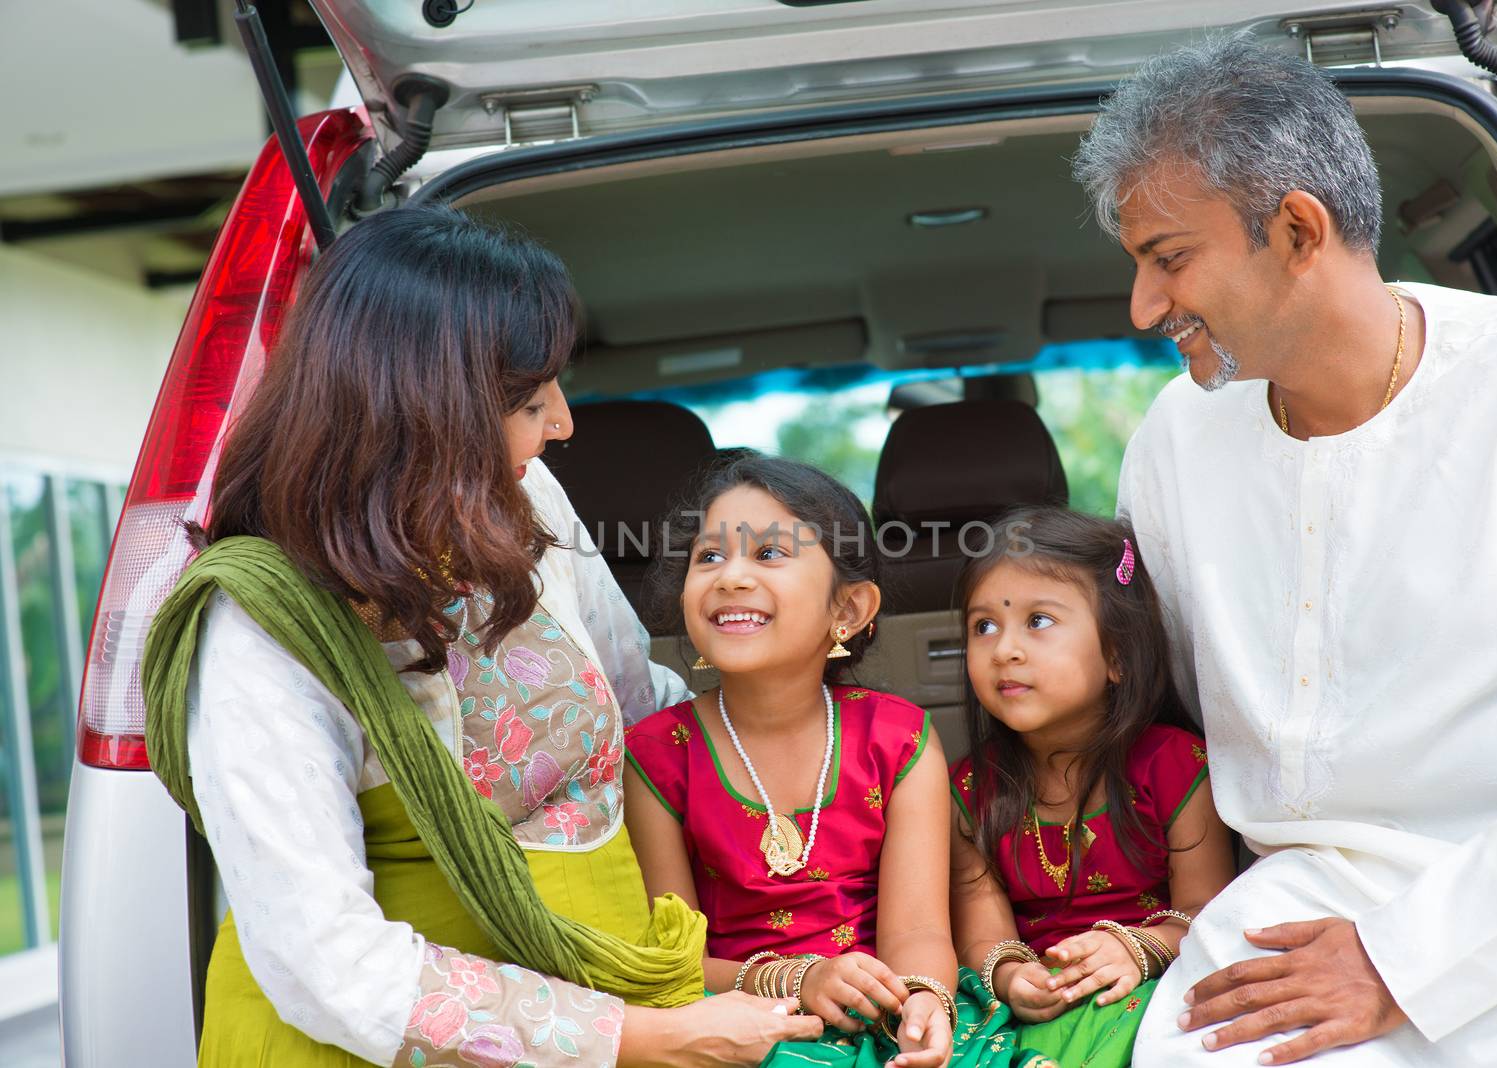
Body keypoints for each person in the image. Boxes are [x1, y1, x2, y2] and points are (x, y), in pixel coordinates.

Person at [139, 205, 825, 1066]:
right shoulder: (261, 628)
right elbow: (328, 965)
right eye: (533, 400)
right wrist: (638, 1038)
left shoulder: (525, 498)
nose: (566, 423)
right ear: (427, 414)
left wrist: (824, 751)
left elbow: (644, 701)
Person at [1069, 33, 1497, 1068]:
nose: (1143, 308)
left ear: (1298, 229)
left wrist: (1404, 960)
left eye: (1168, 259)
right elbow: (1161, 721)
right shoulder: (1175, 439)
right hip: (1288, 924)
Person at [624, 454, 1052, 1068]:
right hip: (744, 1028)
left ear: (847, 611)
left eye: (769, 554)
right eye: (709, 557)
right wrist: (799, 983)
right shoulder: (656, 755)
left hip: (889, 1006)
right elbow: (675, 962)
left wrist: (927, 999)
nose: (729, 577)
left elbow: (918, 932)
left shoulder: (897, 738)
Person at [948, 505, 1234, 1067]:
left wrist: (1137, 947)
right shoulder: (970, 790)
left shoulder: (1175, 767)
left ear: (1117, 655)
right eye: (984, 625)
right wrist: (1010, 976)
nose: (1004, 648)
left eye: (1038, 621)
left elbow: (1206, 911)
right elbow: (983, 933)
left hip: (1147, 985)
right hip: (1031, 1006)